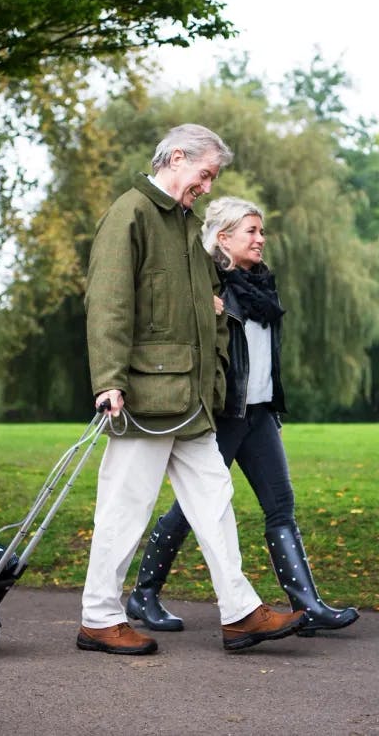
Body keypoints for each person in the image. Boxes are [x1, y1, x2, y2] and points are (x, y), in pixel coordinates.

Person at [78, 124, 306, 655]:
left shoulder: (184, 226)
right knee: (124, 508)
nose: (206, 186)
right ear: (176, 158)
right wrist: (109, 382)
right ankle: (98, 617)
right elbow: (108, 305)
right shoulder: (129, 214)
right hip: (144, 397)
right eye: (204, 174)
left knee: (215, 503)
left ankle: (241, 612)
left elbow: (202, 300)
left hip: (193, 401)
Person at [125, 196, 360, 636]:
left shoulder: (262, 287)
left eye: (261, 231)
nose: (261, 239)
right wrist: (205, 306)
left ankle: (307, 607)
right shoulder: (207, 288)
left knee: (281, 507)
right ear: (223, 237)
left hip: (261, 415)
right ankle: (144, 594)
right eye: (251, 231)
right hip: (224, 415)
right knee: (192, 510)